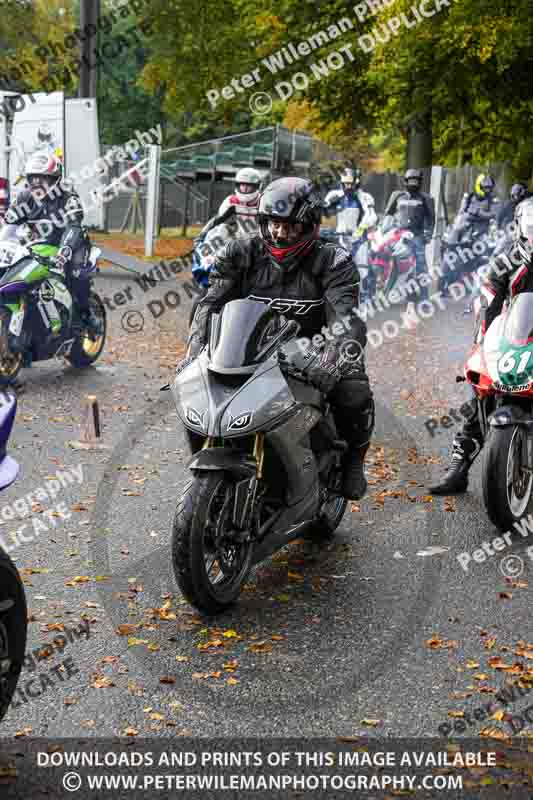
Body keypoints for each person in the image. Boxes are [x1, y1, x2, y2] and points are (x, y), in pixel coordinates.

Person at [185, 177, 375, 501]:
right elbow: (209, 302)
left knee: (354, 390)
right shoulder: (239, 252)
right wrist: (194, 349)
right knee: (200, 392)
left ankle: (353, 461)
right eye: (273, 223)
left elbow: (345, 319)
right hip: (248, 348)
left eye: (289, 226)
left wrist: (333, 361)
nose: (278, 233)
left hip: (315, 350)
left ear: (310, 226)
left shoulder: (333, 261)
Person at [428, 198, 533, 495]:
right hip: (517, 337)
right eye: (532, 231)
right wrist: (483, 343)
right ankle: (458, 469)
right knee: (480, 397)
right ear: (521, 230)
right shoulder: (507, 260)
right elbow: (488, 299)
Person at [4, 151, 99, 332]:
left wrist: (65, 250)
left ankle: (86, 315)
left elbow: (74, 227)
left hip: (72, 244)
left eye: (42, 179)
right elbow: (8, 225)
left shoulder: (69, 198)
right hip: (38, 246)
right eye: (33, 179)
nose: (36, 184)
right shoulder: (24, 198)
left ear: (55, 178)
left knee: (77, 272)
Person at [383, 169, 435, 300]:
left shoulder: (426, 198)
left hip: (417, 235)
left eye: (415, 181)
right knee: (393, 263)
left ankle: (424, 296)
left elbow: (430, 218)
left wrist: (427, 235)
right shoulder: (397, 195)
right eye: (411, 180)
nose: (413, 183)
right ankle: (385, 293)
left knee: (421, 265)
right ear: (405, 181)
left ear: (420, 182)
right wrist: (385, 230)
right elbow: (388, 214)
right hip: (398, 234)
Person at [198, 167, 262, 242]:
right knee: (222, 229)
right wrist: (202, 236)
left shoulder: (264, 201)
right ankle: (207, 248)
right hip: (239, 238)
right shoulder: (231, 201)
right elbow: (217, 220)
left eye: (248, 186)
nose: (245, 189)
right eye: (242, 185)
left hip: (260, 239)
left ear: (257, 186)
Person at [324, 167, 377, 253]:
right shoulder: (333, 195)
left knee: (360, 261)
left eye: (351, 184)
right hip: (339, 240)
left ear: (356, 183)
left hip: (359, 241)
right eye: (346, 184)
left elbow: (372, 216)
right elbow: (324, 212)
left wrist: (360, 229)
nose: (348, 187)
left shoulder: (365, 197)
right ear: (342, 183)